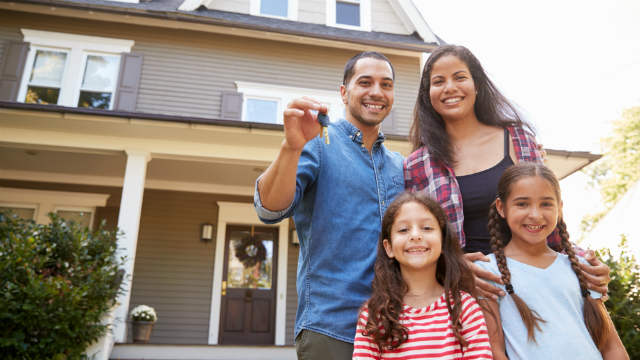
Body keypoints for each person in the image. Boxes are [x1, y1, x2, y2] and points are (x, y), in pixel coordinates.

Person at [403, 44, 610, 299]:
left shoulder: (519, 139)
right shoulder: (417, 165)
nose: (449, 88)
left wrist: (583, 262)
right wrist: (452, 267)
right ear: (428, 94)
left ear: (476, 84)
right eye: (438, 81)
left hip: (532, 283)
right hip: (467, 294)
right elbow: (416, 240)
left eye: (459, 77)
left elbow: (547, 216)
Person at [254, 51, 404, 359]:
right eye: (365, 82)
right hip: (332, 329)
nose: (376, 92)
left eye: (386, 84)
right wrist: (291, 147)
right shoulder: (318, 144)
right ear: (343, 92)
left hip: (395, 329)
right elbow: (269, 209)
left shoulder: (400, 166)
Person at [475, 162, 628, 359]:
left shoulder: (580, 267)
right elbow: (495, 350)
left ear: (560, 208)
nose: (536, 215)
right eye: (522, 204)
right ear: (501, 208)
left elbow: (611, 345)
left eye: (546, 204)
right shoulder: (487, 271)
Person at [352, 192, 493, 359]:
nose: (416, 235)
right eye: (403, 230)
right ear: (388, 247)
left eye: (427, 228)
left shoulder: (465, 308)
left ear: (442, 241)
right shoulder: (375, 314)